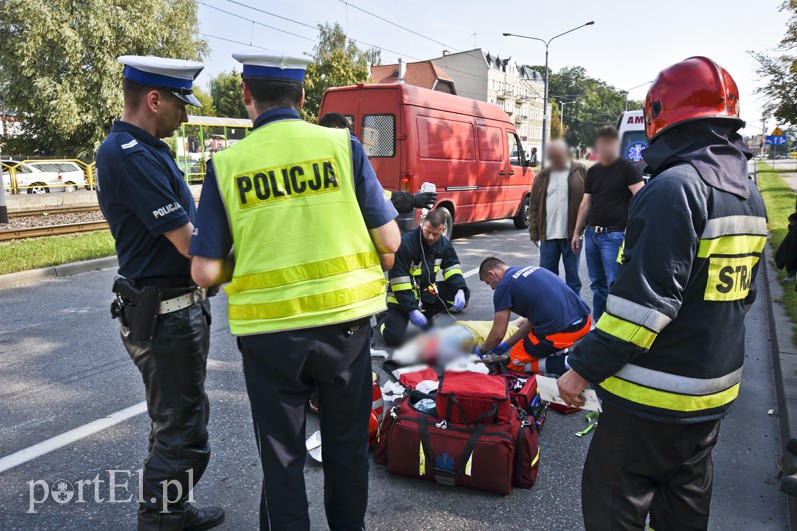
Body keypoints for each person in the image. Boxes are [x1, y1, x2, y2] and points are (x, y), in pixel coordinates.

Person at [189, 50, 401, 530]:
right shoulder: (342, 146)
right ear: (303, 97)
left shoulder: (228, 165)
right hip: (345, 329)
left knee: (282, 459)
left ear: (246, 95)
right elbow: (389, 240)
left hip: (269, 336)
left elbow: (203, 272)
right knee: (346, 449)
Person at [557, 57, 767, 530]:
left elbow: (641, 307)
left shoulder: (675, 188)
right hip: (710, 395)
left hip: (653, 398)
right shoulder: (747, 194)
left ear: (659, 117)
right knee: (684, 512)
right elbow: (741, 296)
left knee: (616, 506)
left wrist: (581, 369)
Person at [95, 56, 223, 530]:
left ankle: (171, 510)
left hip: (168, 310)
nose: (186, 115)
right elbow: (190, 244)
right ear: (154, 100)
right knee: (183, 433)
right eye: (180, 104)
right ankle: (160, 520)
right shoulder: (131, 156)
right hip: (166, 317)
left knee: (175, 422)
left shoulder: (144, 148)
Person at [572, 126, 644, 321]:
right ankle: (599, 323)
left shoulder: (627, 168)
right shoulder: (593, 171)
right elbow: (585, 204)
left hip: (615, 235)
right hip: (592, 234)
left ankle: (616, 326)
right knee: (597, 283)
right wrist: (577, 232)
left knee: (615, 283)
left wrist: (635, 231)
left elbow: (642, 199)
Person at [478, 258, 591, 376]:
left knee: (514, 362)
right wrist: (506, 345)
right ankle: (560, 352)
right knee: (533, 336)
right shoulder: (534, 270)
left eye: (488, 282)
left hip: (560, 333)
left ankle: (567, 362)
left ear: (492, 274)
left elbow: (497, 334)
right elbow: (531, 322)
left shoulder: (504, 286)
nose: (491, 288)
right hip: (584, 323)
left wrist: (482, 350)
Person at [381, 209, 470, 346]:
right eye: (427, 231)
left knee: (463, 293)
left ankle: (430, 311)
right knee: (395, 338)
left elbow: (452, 269)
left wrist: (460, 290)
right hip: (402, 294)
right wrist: (411, 309)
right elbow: (399, 281)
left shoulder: (444, 244)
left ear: (443, 229)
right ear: (422, 223)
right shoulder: (405, 244)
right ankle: (383, 319)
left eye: (435, 234)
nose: (430, 237)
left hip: (426, 291)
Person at [319, 111, 437, 214]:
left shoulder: (311, 159)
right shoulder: (343, 167)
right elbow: (374, 195)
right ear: (338, 133)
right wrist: (412, 200)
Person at [528, 139, 587, 294]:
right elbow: (533, 206)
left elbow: (590, 201)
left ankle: (575, 314)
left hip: (572, 236)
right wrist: (533, 232)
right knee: (547, 279)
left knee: (573, 280)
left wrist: (584, 227)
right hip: (547, 236)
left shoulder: (581, 171)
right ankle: (550, 312)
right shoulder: (541, 176)